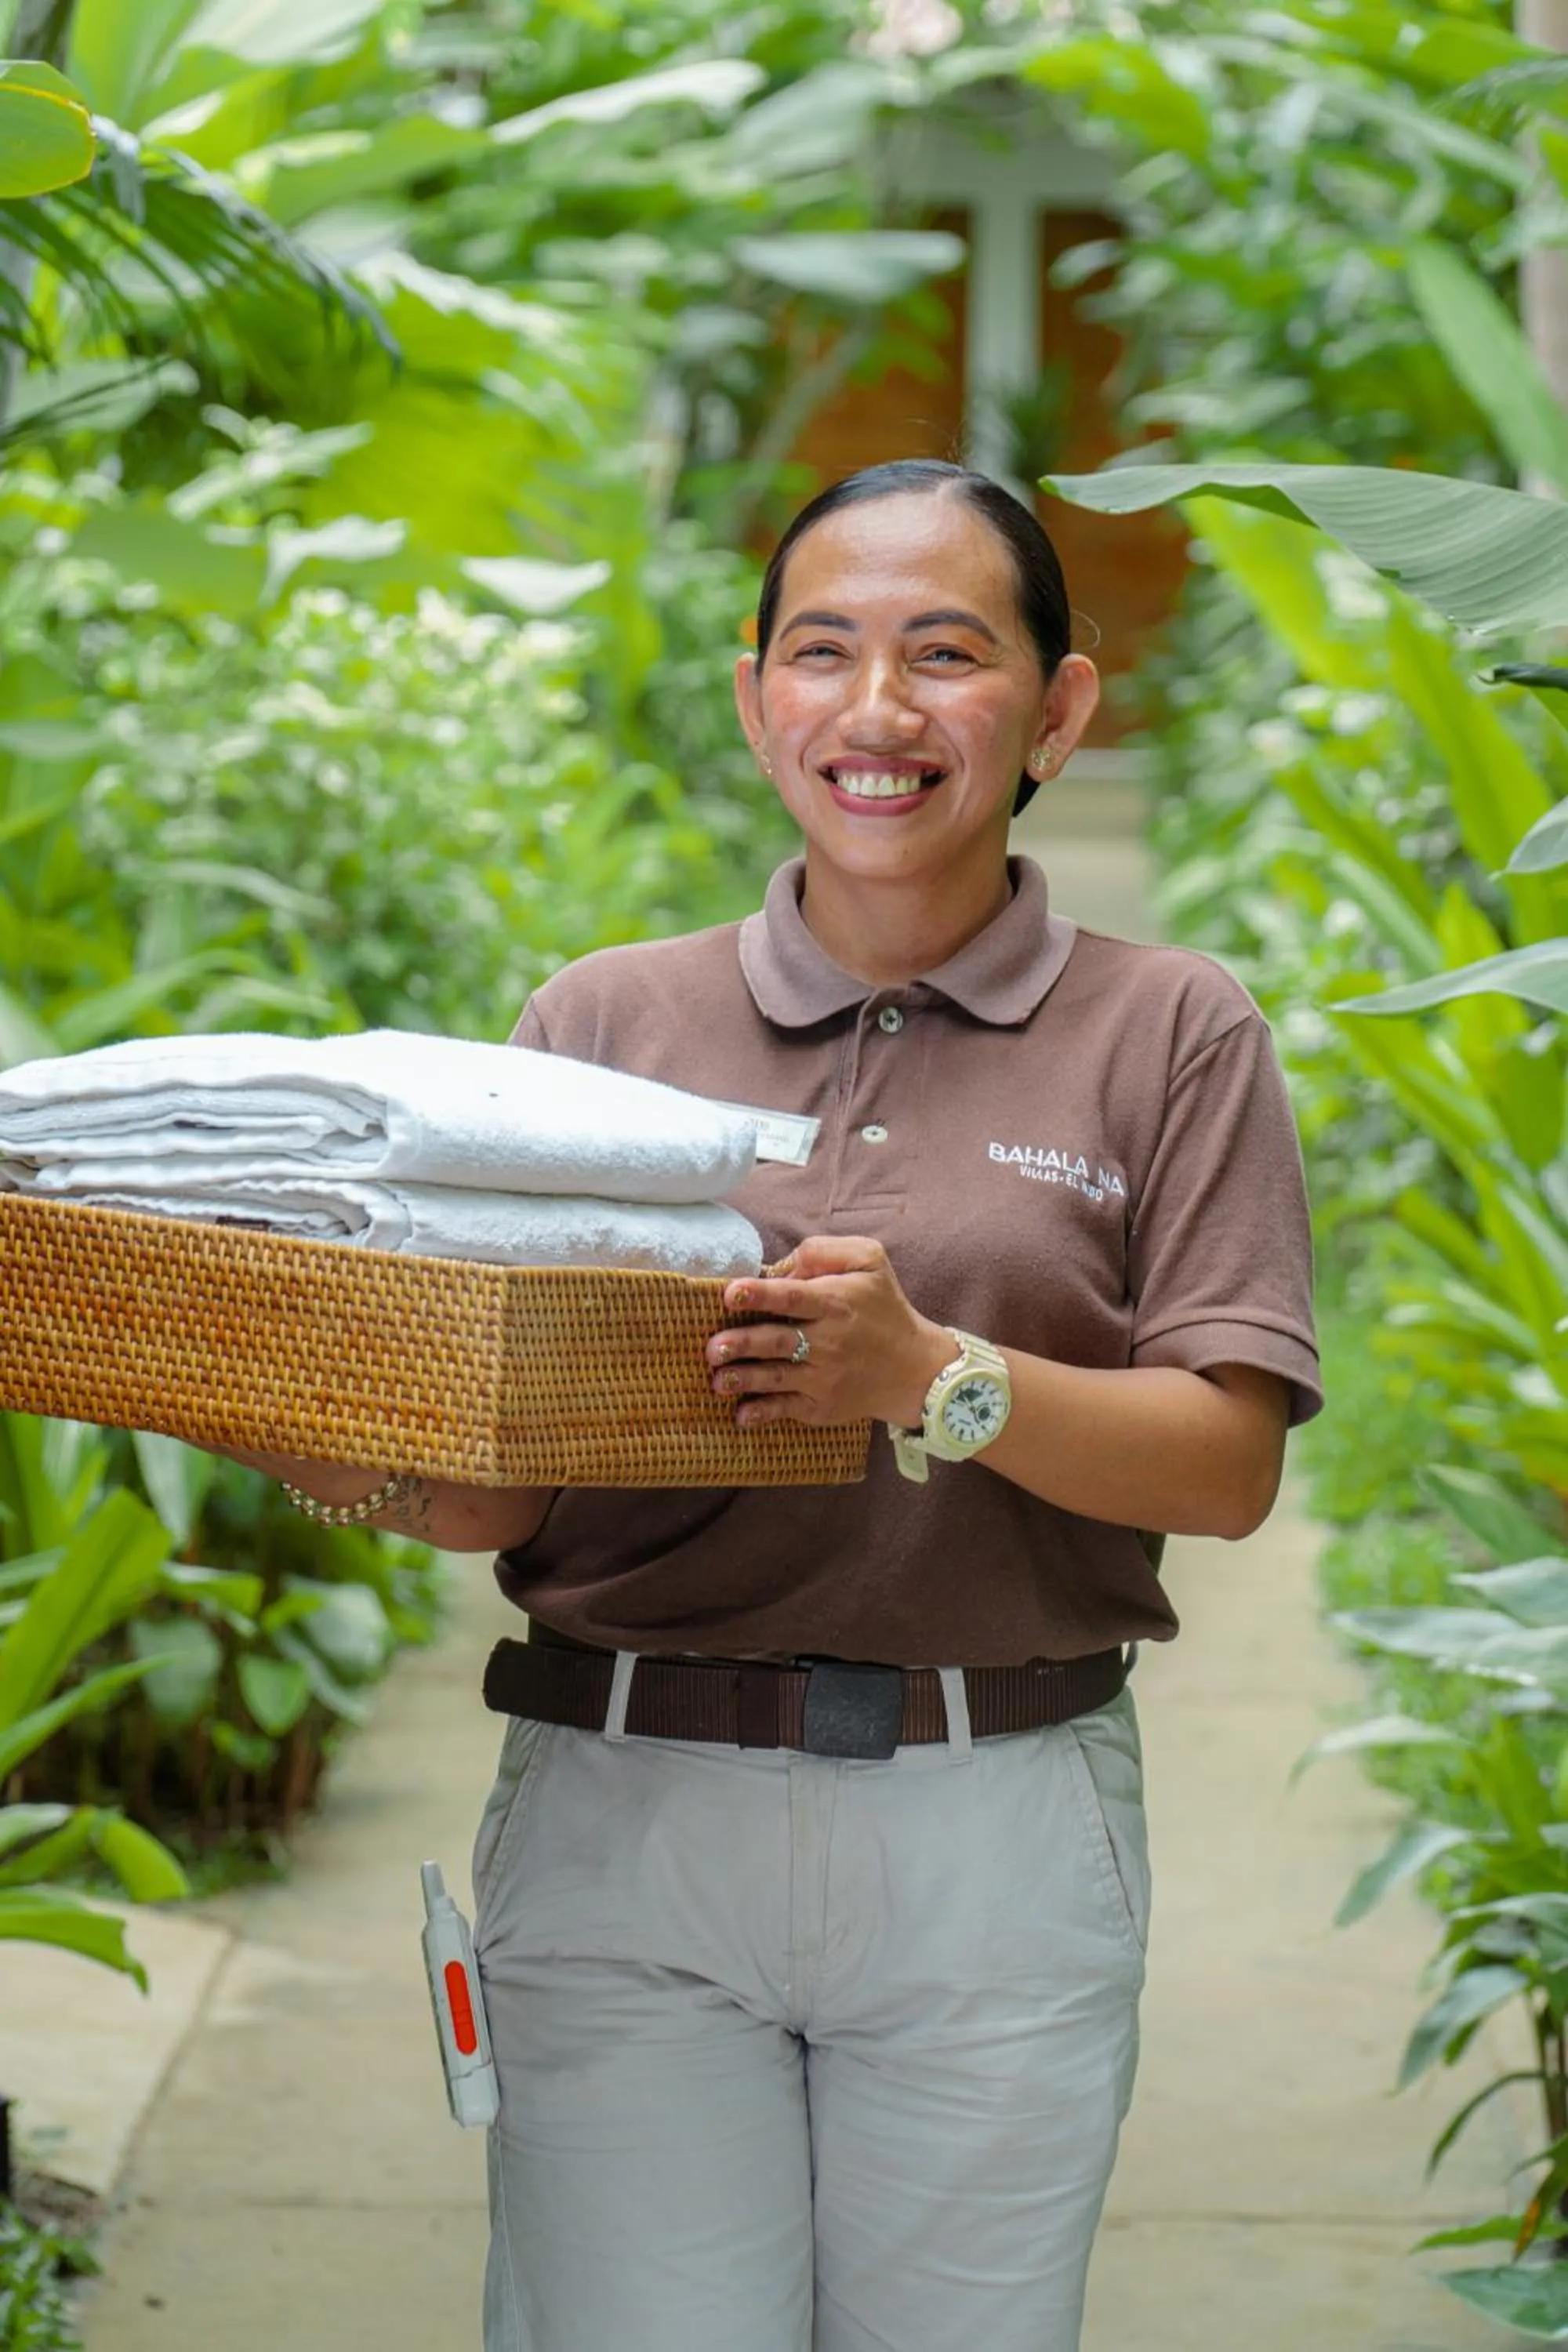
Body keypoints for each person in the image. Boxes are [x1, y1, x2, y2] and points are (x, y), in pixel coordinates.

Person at [241, 459, 1321, 2351]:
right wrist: (290, 1413)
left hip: (997, 1821)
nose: (877, 712)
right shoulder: (601, 1027)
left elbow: (1225, 1465)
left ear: (1058, 707)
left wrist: (932, 1381)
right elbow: (493, 1489)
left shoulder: (1173, 1030)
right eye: (822, 653)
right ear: (756, 699)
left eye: (945, 653)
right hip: (624, 1808)